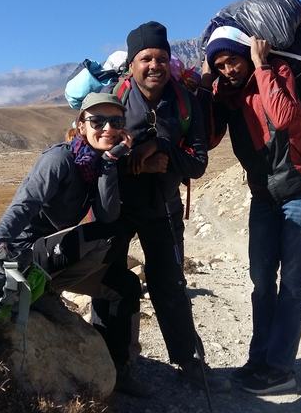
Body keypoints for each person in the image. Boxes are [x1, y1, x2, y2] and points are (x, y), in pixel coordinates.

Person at [0, 93, 154, 398]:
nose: (107, 128)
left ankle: (120, 370)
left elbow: (107, 212)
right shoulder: (60, 158)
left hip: (57, 258)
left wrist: (110, 163)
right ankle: (45, 290)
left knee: (126, 285)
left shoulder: (98, 163)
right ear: (81, 124)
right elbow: (24, 205)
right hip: (25, 256)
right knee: (110, 233)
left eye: (115, 122)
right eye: (97, 121)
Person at [96, 21, 229, 392]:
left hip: (165, 211)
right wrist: (134, 157)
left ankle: (190, 362)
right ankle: (115, 368)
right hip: (117, 209)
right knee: (111, 284)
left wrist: (161, 148)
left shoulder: (186, 102)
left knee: (170, 285)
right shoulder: (113, 101)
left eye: (161, 58)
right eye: (146, 58)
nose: (154, 65)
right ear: (132, 64)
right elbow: (95, 157)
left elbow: (198, 164)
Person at [200, 20, 301, 395]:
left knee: (291, 282)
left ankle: (280, 368)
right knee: (260, 283)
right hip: (264, 196)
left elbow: (284, 117)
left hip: (300, 188)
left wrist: (261, 66)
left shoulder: (276, 71)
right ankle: (259, 360)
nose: (229, 69)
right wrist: (208, 85)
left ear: (246, 53)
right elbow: (207, 139)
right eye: (220, 64)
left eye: (232, 61)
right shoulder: (225, 93)